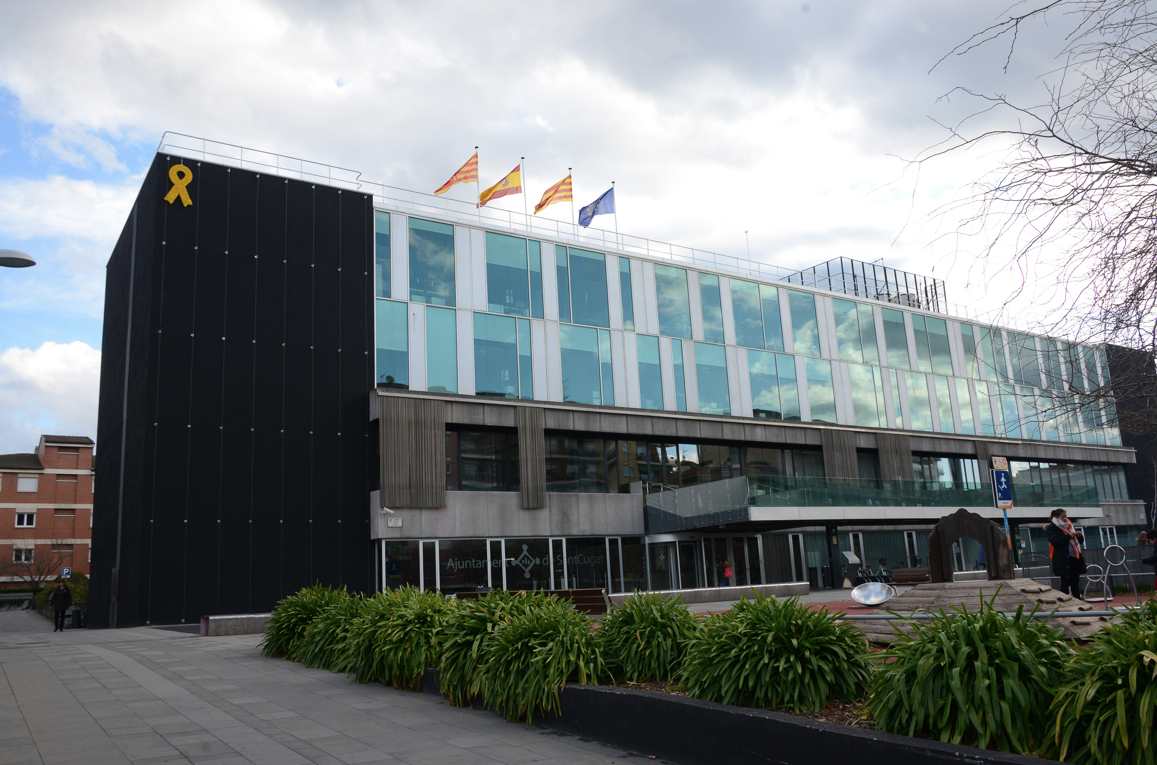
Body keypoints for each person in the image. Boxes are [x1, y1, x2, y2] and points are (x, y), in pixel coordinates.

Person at [1046, 509, 1085, 598]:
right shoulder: (1053, 527)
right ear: (1056, 517)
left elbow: (1079, 542)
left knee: (1075, 581)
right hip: (1063, 559)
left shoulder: (1069, 525)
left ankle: (1077, 600)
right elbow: (1055, 541)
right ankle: (1064, 601)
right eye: (1062, 517)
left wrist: (1079, 536)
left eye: (1065, 516)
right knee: (1065, 582)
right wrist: (1068, 536)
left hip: (1074, 557)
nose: (1065, 518)